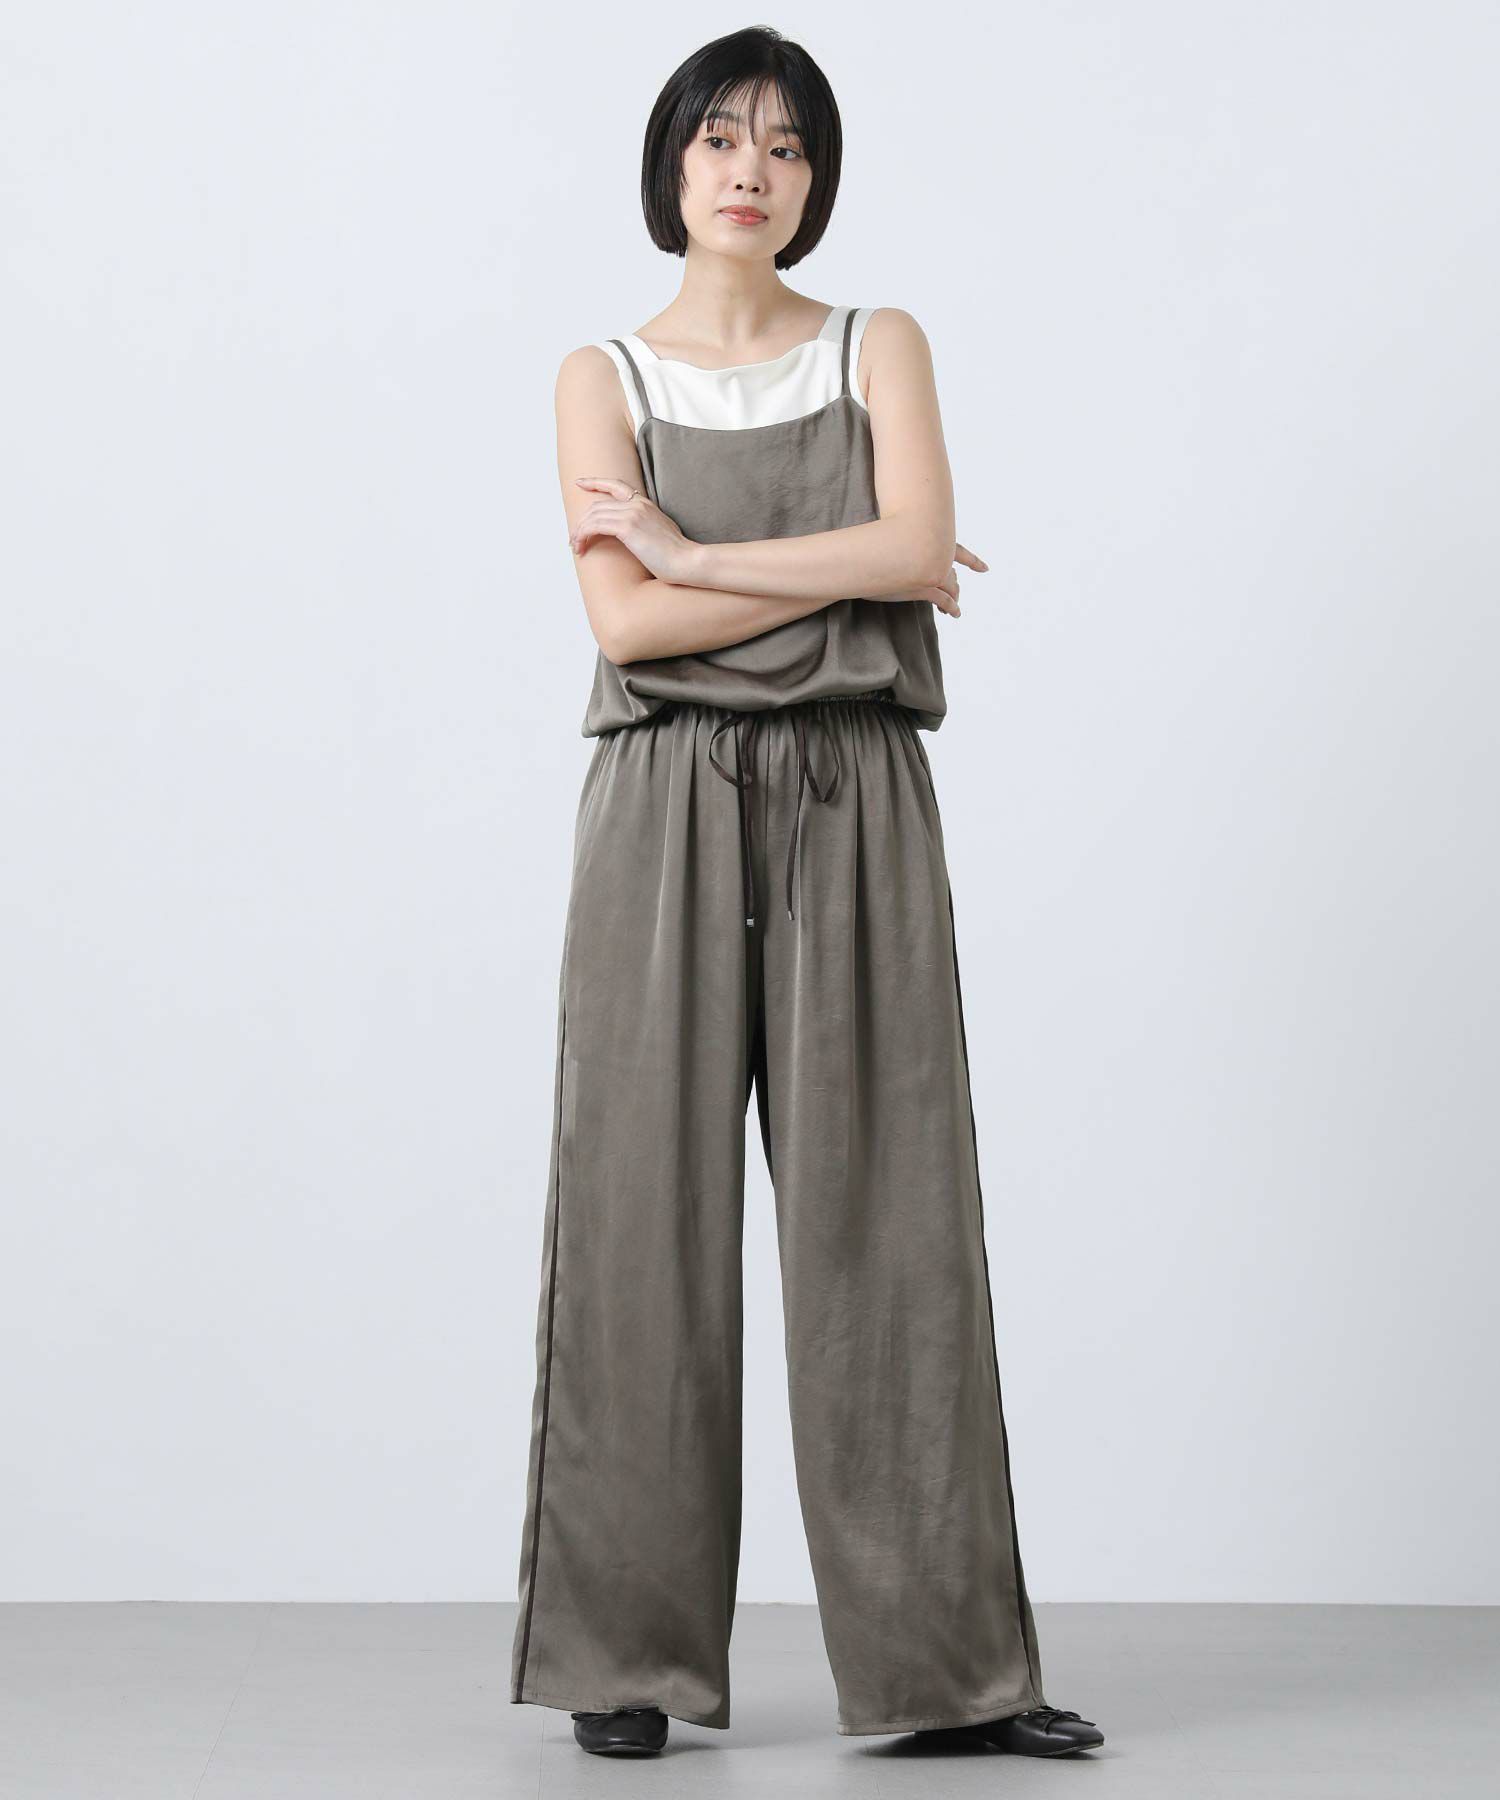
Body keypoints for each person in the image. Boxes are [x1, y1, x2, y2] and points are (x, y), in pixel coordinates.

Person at [509, 24, 1104, 1763]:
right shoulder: (600, 374)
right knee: (639, 1213)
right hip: (662, 807)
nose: (750, 170)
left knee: (892, 1212)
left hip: (857, 795)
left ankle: (948, 1677)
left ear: (817, 179)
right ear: (672, 166)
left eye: (783, 143)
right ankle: (622, 1659)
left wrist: (696, 549)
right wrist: (837, 576)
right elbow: (626, 627)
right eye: (719, 138)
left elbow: (917, 545)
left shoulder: (876, 344)